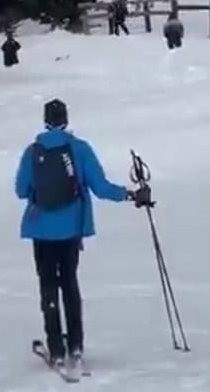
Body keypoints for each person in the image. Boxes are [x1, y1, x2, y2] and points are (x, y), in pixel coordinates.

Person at [15, 99, 150, 370]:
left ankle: (56, 347)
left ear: (45, 121)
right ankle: (75, 344)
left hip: (41, 230)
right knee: (69, 283)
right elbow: (101, 188)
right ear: (66, 119)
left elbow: (20, 190)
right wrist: (131, 195)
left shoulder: (33, 151)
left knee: (48, 285)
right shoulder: (79, 149)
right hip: (71, 228)